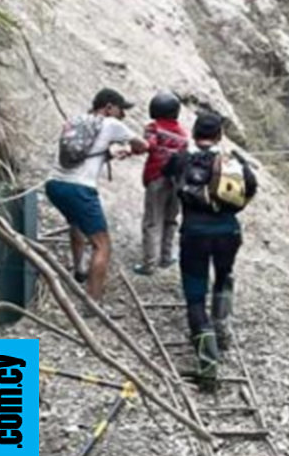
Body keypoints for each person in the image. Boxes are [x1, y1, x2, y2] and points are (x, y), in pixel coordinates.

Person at [164, 111, 258, 387]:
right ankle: (222, 328)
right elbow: (251, 187)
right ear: (219, 136)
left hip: (194, 234)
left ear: (194, 134)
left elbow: (167, 172)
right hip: (228, 232)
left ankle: (208, 365)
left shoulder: (183, 157)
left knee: (195, 297)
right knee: (224, 276)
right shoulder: (234, 161)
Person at [45, 88, 147, 306]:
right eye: (121, 110)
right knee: (102, 245)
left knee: (76, 222)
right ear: (109, 107)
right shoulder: (111, 124)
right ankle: (93, 303)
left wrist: (110, 153)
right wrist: (133, 148)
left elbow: (81, 155)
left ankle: (80, 270)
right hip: (80, 189)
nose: (123, 116)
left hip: (54, 184)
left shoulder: (75, 121)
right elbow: (142, 145)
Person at [135, 91, 189, 276]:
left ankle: (149, 264)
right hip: (177, 181)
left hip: (156, 178)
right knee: (170, 219)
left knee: (152, 221)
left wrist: (131, 148)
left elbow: (146, 145)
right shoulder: (183, 134)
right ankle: (166, 257)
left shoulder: (153, 128)